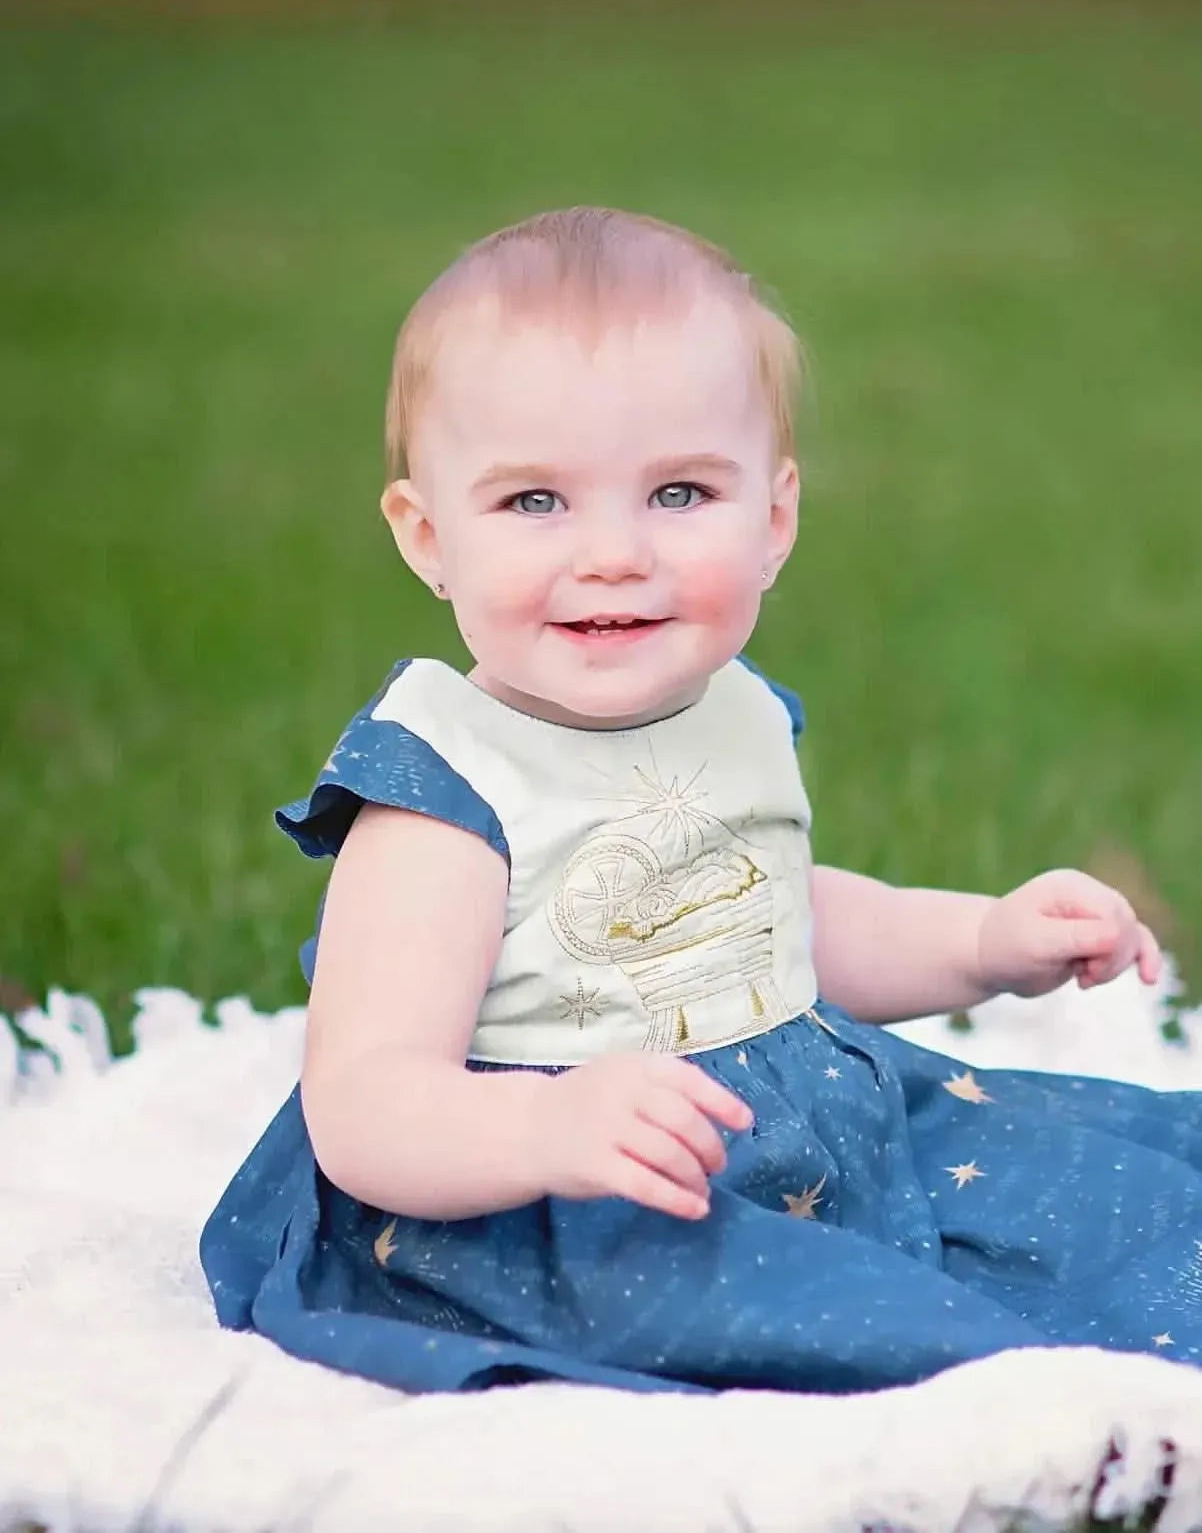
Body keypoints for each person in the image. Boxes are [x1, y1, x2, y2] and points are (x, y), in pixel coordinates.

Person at [200, 206, 1202, 1396]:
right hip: (570, 1208)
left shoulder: (731, 706)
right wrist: (547, 1132)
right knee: (916, 1338)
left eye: (677, 493)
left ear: (773, 520)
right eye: (533, 502)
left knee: (1123, 1183)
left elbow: (780, 926)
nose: (613, 553)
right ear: (427, 537)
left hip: (809, 1128)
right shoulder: (442, 794)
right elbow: (365, 1106)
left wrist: (982, 941)